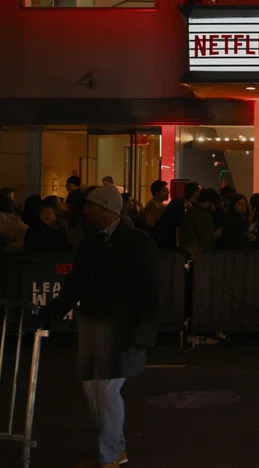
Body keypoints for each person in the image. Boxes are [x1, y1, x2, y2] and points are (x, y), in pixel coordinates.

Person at [42, 185, 159, 468]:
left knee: (104, 391)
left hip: (118, 328)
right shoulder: (99, 242)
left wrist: (144, 329)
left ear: (105, 208)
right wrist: (50, 315)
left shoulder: (134, 241)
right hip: (96, 324)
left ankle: (109, 455)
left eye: (90, 206)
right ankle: (115, 449)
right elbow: (76, 285)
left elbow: (149, 288)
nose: (86, 211)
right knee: (95, 391)